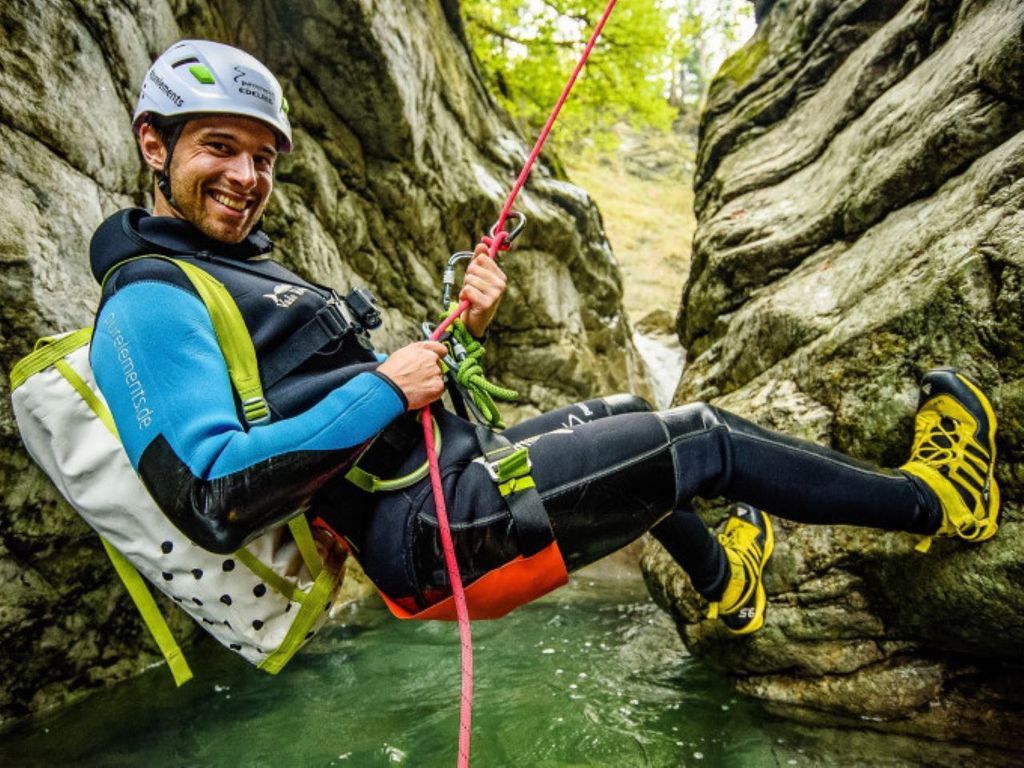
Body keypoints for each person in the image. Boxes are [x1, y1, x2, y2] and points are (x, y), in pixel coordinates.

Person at [89, 40, 1000, 661]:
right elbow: (210, 496)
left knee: (629, 417)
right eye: (219, 148)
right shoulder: (148, 299)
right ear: (153, 144)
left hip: (446, 492)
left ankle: (729, 584)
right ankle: (941, 501)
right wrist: (386, 387)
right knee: (701, 440)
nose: (247, 177)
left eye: (263, 158)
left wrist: (463, 332)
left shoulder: (234, 270)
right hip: (440, 536)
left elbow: (336, 406)